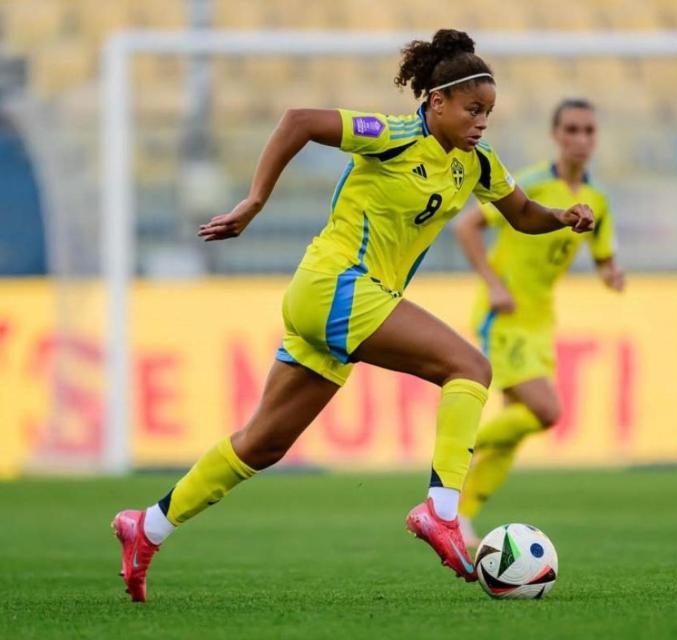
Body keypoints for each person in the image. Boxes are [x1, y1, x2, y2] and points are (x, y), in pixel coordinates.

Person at [111, 30, 595, 602]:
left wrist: (564, 215)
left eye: (488, 112)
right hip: (334, 285)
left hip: (346, 305)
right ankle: (442, 509)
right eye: (472, 109)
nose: (482, 122)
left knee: (263, 444)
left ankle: (148, 526)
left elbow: (521, 213)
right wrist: (255, 201)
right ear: (436, 102)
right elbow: (298, 121)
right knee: (469, 367)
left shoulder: (477, 164)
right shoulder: (390, 135)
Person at [454, 98, 624, 546]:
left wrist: (612, 274)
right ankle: (450, 458)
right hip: (505, 317)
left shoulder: (598, 200)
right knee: (545, 411)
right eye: (572, 130)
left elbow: (604, 256)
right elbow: (466, 226)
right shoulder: (529, 185)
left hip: (541, 323)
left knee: (518, 425)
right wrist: (493, 283)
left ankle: (462, 514)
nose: (581, 139)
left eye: (589, 130)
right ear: (555, 135)